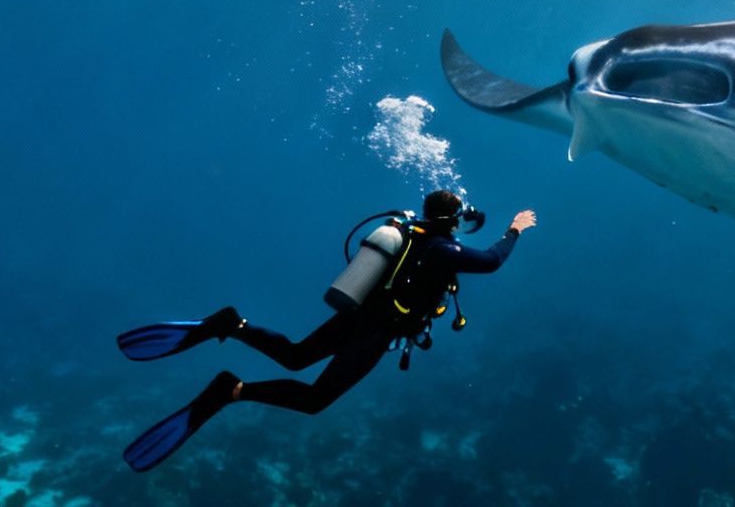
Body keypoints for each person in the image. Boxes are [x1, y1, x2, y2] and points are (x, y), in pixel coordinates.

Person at [116, 190, 534, 472]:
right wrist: (514, 229)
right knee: (315, 399)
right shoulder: (444, 249)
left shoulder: (411, 234)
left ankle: (232, 325)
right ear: (454, 220)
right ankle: (230, 390)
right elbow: (492, 260)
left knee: (296, 356)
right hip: (375, 333)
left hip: (357, 316)